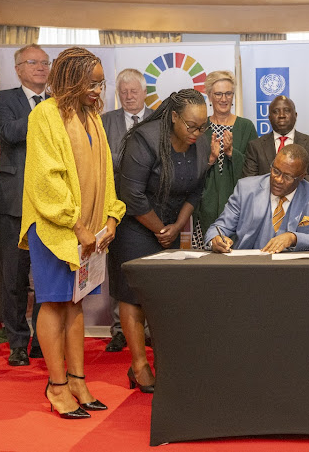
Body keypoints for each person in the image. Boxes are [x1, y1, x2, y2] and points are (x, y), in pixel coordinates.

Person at [19, 47, 125, 418]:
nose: (98, 90)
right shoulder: (44, 115)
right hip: (53, 228)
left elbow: (106, 174)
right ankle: (56, 384)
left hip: (89, 231)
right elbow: (45, 179)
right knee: (55, 302)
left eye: (100, 83)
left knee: (76, 302)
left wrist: (110, 218)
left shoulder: (91, 116)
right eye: (91, 83)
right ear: (71, 80)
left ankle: (78, 379)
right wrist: (77, 226)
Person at [110, 89, 212, 393]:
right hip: (134, 225)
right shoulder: (144, 139)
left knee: (163, 295)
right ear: (174, 118)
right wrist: (159, 228)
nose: (197, 133)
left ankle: (164, 362)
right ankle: (139, 366)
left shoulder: (200, 141)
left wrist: (178, 226)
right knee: (133, 295)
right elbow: (131, 194)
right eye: (191, 126)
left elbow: (196, 190)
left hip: (170, 225)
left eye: (202, 126)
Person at [0, 43, 49, 366]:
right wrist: (43, 113)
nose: (41, 67)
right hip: (14, 200)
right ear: (19, 69)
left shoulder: (57, 103)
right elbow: (10, 133)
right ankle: (16, 342)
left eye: (45, 62)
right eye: (33, 62)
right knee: (14, 277)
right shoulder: (3, 99)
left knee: (45, 276)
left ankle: (42, 338)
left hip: (48, 204)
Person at [101, 68, 154, 353]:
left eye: (134, 91)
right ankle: (119, 330)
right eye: (124, 92)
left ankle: (148, 328)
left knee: (151, 270)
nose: (129, 96)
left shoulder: (159, 120)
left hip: (150, 209)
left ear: (145, 93)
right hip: (115, 209)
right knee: (118, 270)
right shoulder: (103, 121)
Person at [206, 144, 309, 253]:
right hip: (248, 269)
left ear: (302, 177)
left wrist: (294, 238)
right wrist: (215, 240)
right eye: (276, 171)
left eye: (288, 177)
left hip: (294, 273)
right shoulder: (246, 189)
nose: (278, 180)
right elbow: (217, 228)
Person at [194, 70, 258, 242]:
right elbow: (190, 172)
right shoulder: (200, 127)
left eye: (228, 93)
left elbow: (254, 172)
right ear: (209, 96)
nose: (224, 99)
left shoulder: (246, 126)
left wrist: (231, 153)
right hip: (204, 207)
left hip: (239, 207)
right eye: (218, 94)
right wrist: (210, 160)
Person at [243, 96, 309, 190]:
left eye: (287, 110)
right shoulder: (256, 147)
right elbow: (249, 184)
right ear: (269, 118)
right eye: (275, 111)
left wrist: (293, 177)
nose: (281, 115)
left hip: (302, 203)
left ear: (295, 115)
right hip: (266, 203)